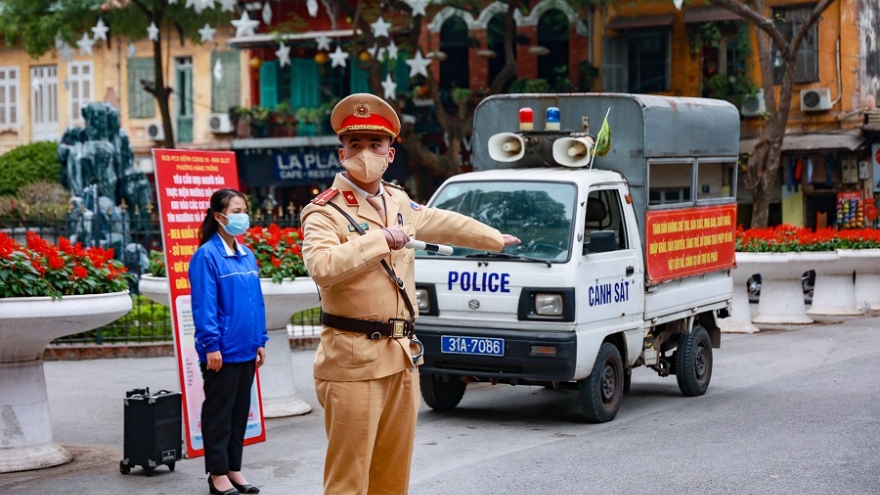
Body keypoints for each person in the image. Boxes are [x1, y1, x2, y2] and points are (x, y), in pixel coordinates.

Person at [301, 93, 520, 494]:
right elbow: (323, 267)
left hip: (400, 355)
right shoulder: (324, 211)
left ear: (390, 152)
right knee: (348, 479)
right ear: (341, 152)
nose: (364, 153)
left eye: (374, 145)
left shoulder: (398, 199)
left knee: (392, 476)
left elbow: (440, 220)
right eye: (355, 145)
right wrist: (381, 239)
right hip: (351, 360)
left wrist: (492, 239)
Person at [189, 188, 267, 495]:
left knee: (239, 413)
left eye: (243, 210)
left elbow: (256, 302)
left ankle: (234, 468)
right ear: (219, 216)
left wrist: (260, 339)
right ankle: (217, 474)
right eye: (235, 211)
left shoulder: (246, 254)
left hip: (247, 349)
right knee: (219, 415)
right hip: (221, 352)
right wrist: (211, 345)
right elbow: (204, 305)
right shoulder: (206, 256)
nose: (241, 216)